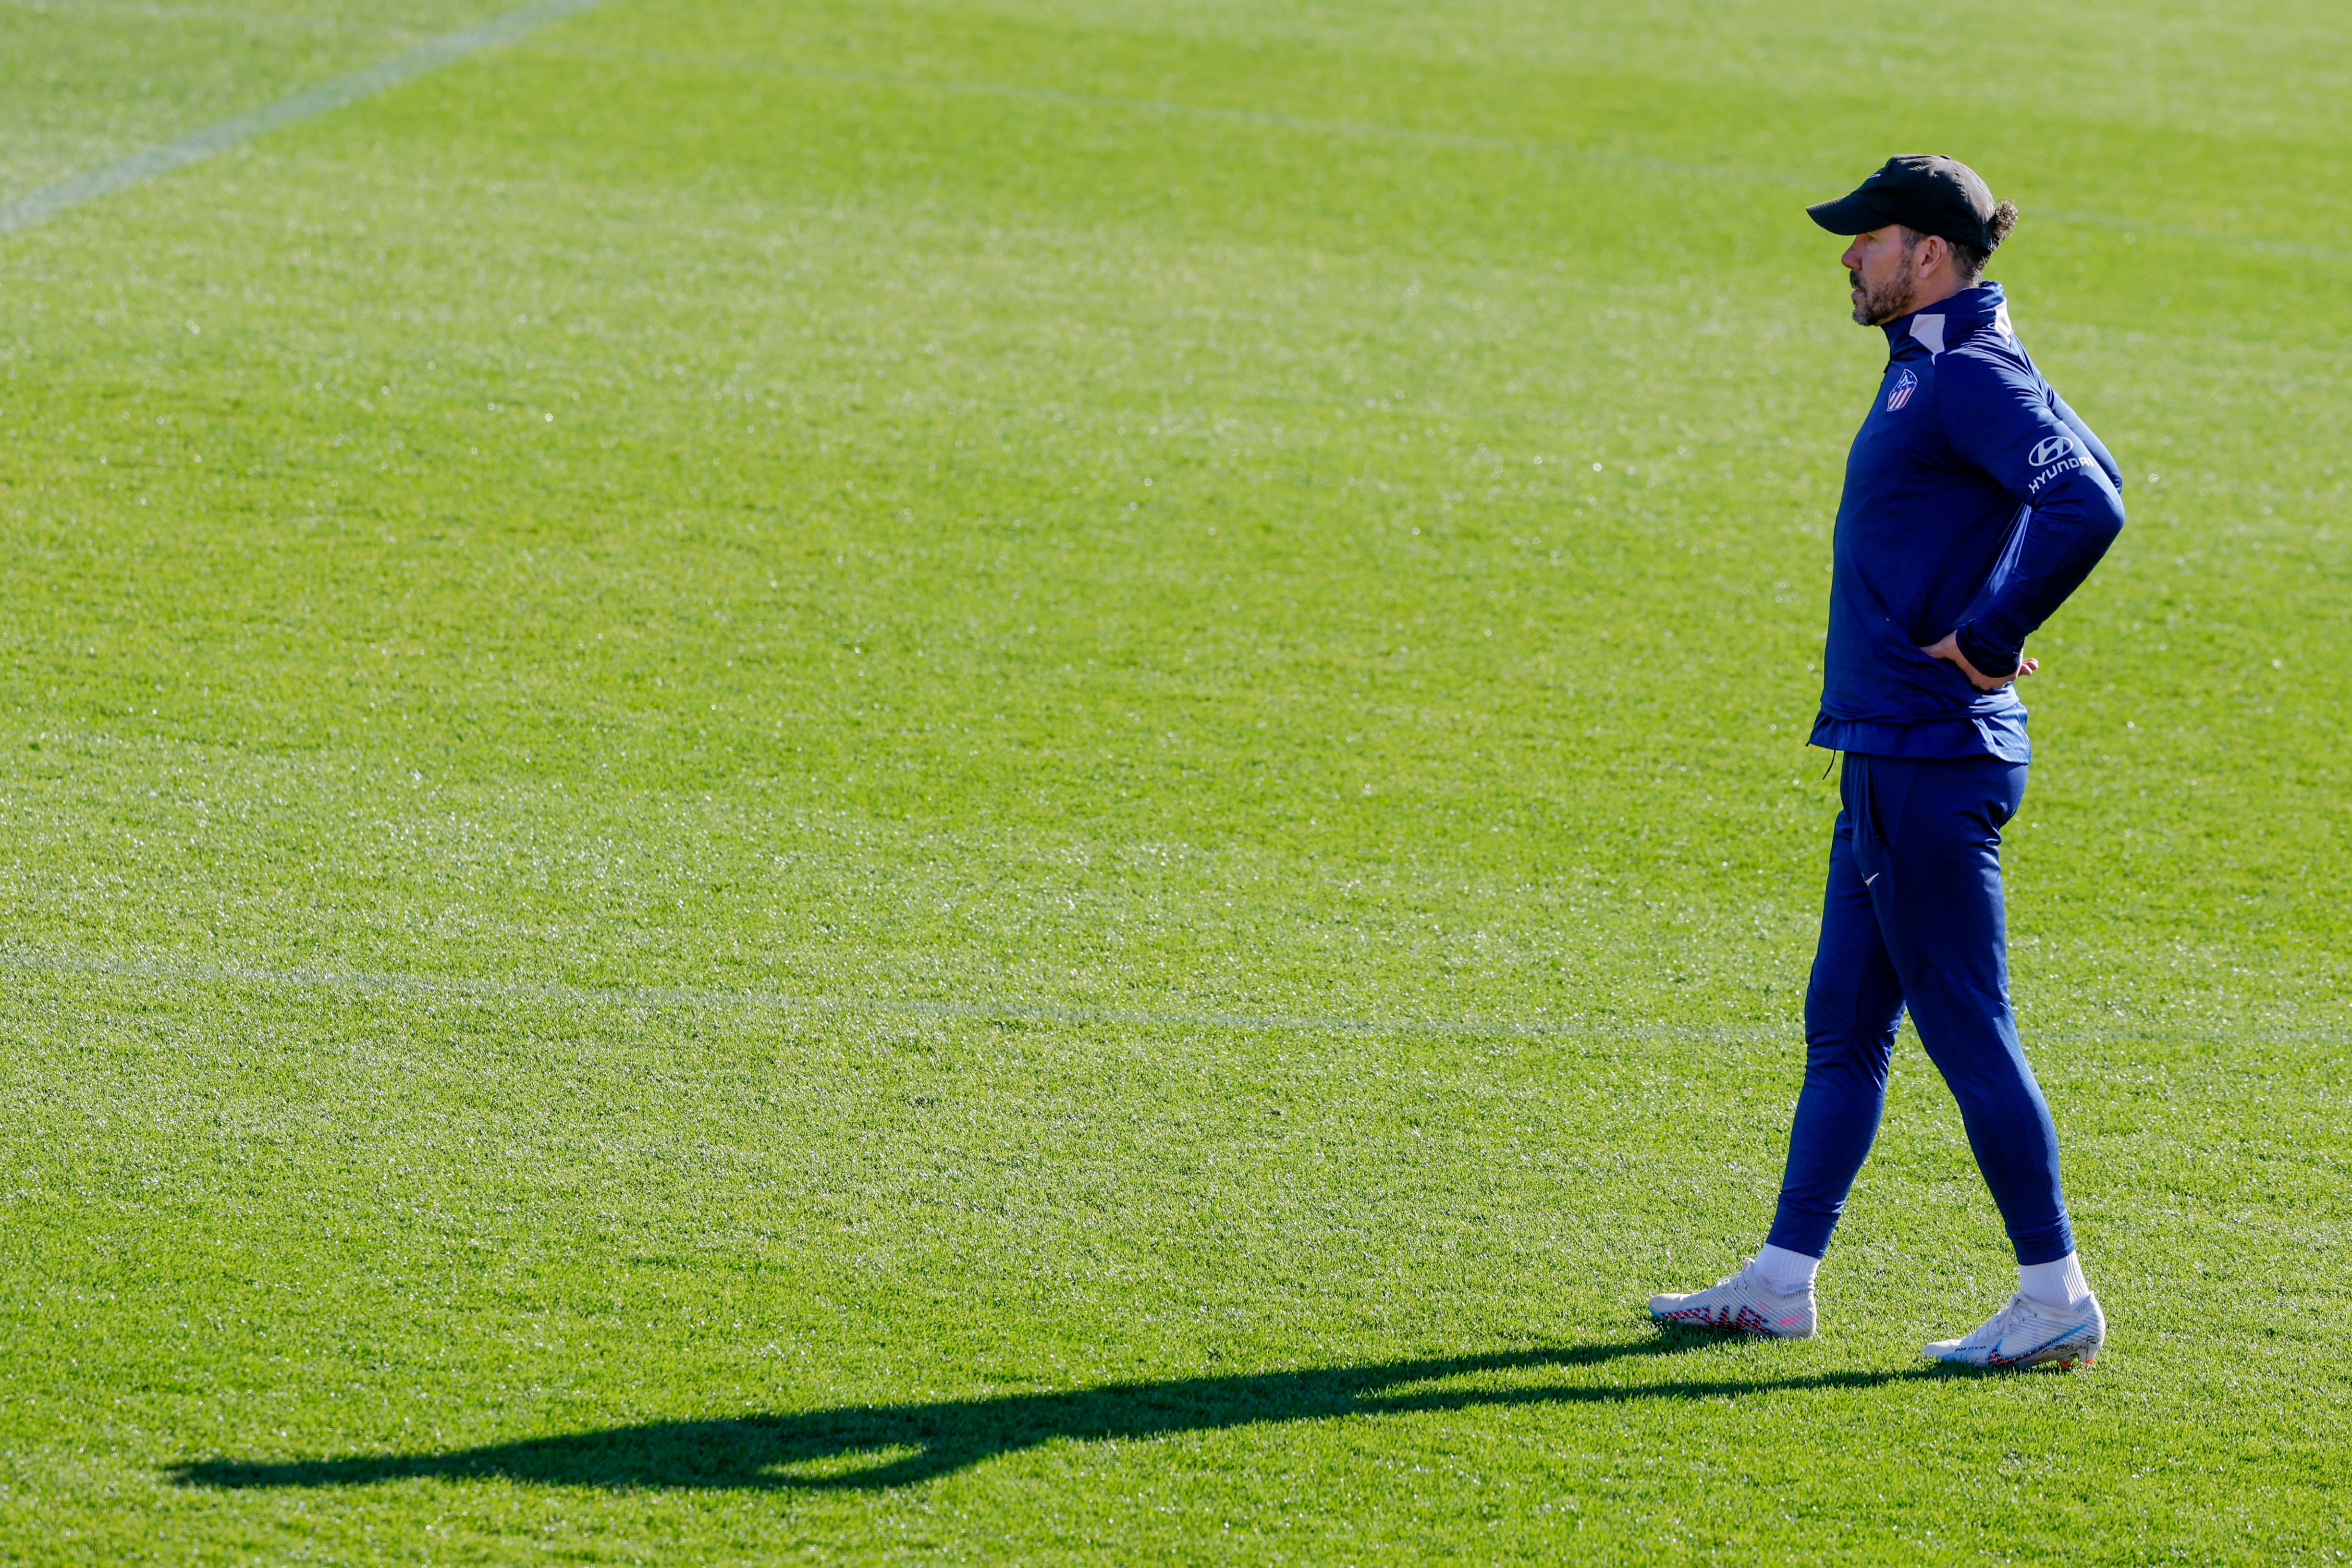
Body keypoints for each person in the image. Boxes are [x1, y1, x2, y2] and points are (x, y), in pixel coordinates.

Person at [1647, 156, 2126, 1369]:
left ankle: (2056, 1294)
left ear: (1927, 255)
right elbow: (2095, 475)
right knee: (1843, 1027)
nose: (1847, 256)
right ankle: (1783, 1277)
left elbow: (2092, 506)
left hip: (1929, 756)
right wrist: (1985, 609)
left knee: (1966, 1028)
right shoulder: (1944, 364)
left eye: (1869, 237)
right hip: (1887, 751)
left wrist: (1990, 632)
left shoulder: (1965, 372)